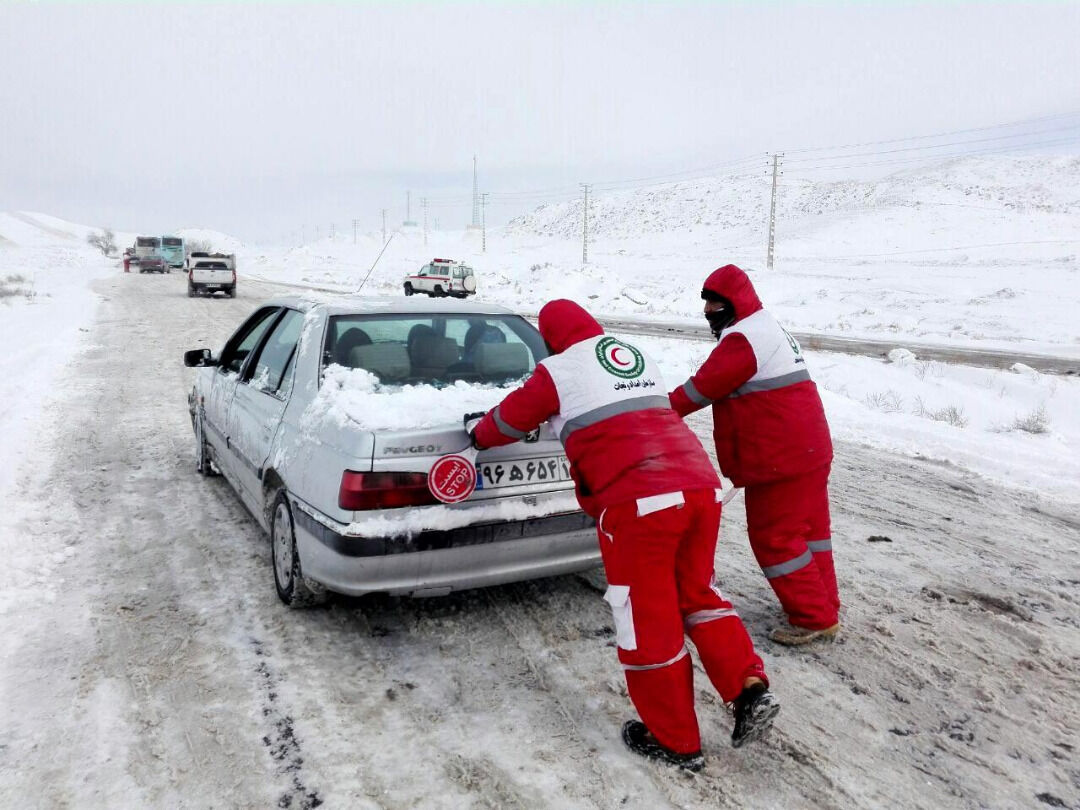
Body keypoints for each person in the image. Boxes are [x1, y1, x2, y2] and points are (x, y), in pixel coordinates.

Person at [469, 298, 779, 771]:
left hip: (640, 504)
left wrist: (476, 434)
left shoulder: (557, 370)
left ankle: (674, 741)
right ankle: (748, 688)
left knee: (646, 617)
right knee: (697, 593)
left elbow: (508, 421)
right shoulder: (633, 353)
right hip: (698, 488)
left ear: (549, 339)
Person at [668, 264, 840, 646]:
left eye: (715, 302)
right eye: (706, 302)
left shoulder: (743, 339)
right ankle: (824, 605)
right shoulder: (765, 327)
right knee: (810, 532)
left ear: (734, 301)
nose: (708, 311)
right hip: (808, 448)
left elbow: (700, 390)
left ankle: (813, 616)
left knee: (774, 537)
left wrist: (654, 412)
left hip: (782, 459)